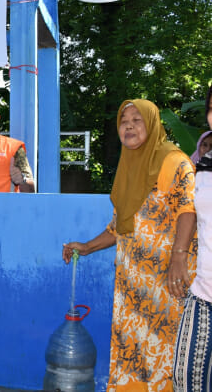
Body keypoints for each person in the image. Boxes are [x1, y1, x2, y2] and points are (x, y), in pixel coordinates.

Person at [62, 99, 197, 390]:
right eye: (124, 121)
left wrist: (179, 258)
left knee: (164, 353)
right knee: (133, 353)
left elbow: (188, 210)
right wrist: (88, 246)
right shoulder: (128, 166)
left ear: (152, 124)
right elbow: (120, 226)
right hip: (132, 285)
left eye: (137, 120)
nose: (129, 126)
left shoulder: (174, 161)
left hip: (165, 281)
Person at [173, 83, 212, 390]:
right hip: (204, 292)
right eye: (211, 109)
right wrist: (179, 254)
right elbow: (186, 208)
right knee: (186, 380)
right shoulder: (203, 164)